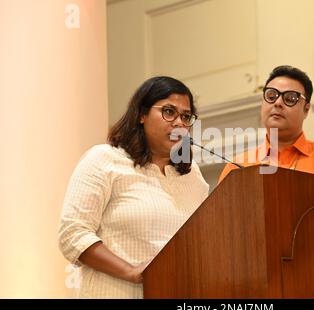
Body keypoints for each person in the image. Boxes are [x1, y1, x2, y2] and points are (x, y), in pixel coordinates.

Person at [58, 76, 209, 298]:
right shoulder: (104, 159)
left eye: (186, 117)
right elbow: (72, 234)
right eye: (169, 111)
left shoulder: (193, 176)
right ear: (141, 114)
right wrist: (131, 272)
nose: (179, 123)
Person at [219, 65, 314, 182]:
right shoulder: (237, 167)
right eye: (271, 96)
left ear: (306, 110)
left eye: (290, 98)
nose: (278, 103)